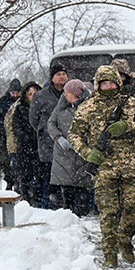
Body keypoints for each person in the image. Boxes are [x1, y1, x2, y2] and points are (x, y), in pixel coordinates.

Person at [69, 65, 135, 267]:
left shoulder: (130, 104)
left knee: (133, 206)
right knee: (108, 213)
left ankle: (125, 239)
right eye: (104, 83)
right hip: (105, 169)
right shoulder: (88, 107)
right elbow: (74, 134)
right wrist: (88, 153)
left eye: (112, 82)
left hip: (131, 166)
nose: (108, 86)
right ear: (98, 84)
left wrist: (127, 126)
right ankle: (110, 254)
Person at [47, 79, 95, 216]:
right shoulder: (60, 107)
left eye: (68, 93)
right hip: (63, 154)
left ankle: (81, 215)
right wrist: (58, 137)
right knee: (66, 190)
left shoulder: (89, 108)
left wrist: (82, 143)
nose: (65, 95)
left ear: (76, 94)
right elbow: (51, 123)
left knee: (82, 189)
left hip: (81, 153)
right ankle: (69, 217)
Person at [30, 62, 69, 209]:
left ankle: (67, 205)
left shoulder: (71, 93)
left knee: (66, 175)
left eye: (64, 74)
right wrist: (43, 131)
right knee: (49, 175)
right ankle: (49, 205)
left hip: (67, 141)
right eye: (58, 74)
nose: (62, 77)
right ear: (52, 77)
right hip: (48, 142)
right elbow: (33, 119)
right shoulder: (41, 96)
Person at [11, 82, 42, 204]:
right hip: (25, 146)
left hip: (39, 146)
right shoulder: (20, 109)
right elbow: (16, 126)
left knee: (39, 175)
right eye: (30, 94)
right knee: (25, 175)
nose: (33, 96)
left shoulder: (42, 108)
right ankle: (26, 199)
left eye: (35, 94)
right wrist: (24, 137)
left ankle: (38, 199)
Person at [0, 78, 21, 190]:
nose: (15, 95)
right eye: (13, 92)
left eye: (17, 92)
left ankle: (17, 181)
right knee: (4, 161)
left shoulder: (21, 101)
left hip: (18, 136)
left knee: (18, 160)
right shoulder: (3, 101)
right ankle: (9, 180)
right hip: (3, 136)